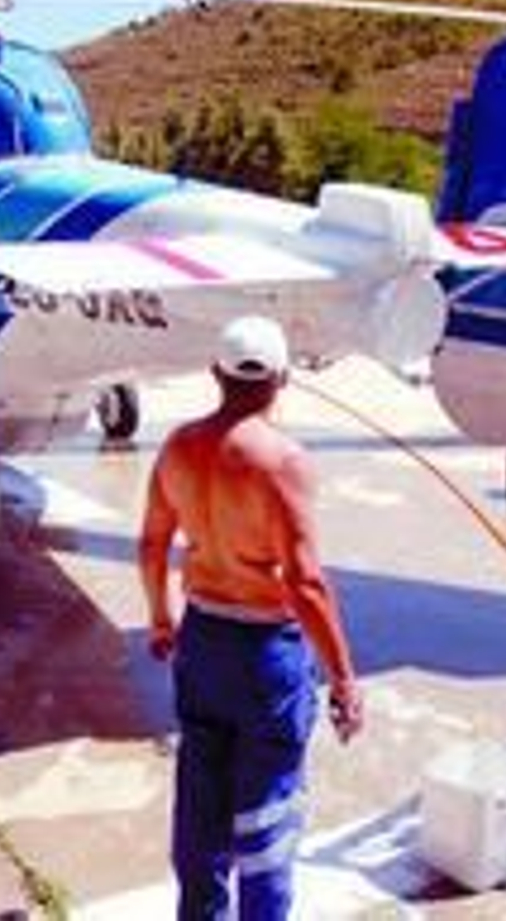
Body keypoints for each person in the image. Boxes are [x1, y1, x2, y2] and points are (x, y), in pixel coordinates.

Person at [139, 315, 362, 920]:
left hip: (203, 640)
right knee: (265, 817)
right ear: (282, 379)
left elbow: (153, 544)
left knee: (201, 805)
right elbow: (306, 582)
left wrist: (161, 621)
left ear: (216, 373)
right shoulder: (281, 462)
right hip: (265, 654)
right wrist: (343, 678)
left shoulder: (179, 447)